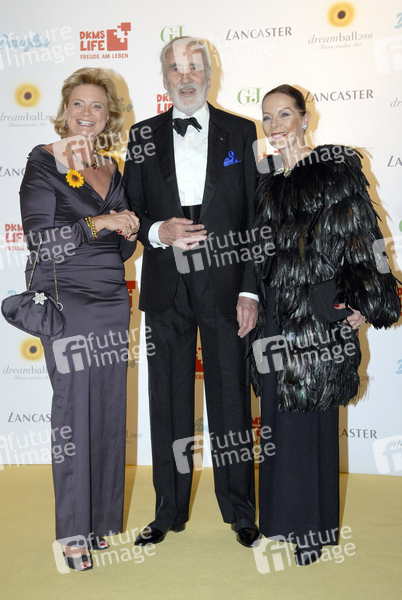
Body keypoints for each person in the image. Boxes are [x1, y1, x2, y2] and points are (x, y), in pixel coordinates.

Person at [252, 84, 400, 566]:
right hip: (275, 311)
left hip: (319, 310)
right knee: (277, 415)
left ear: (304, 117)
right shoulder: (266, 179)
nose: (276, 125)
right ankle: (279, 521)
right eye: (268, 117)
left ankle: (312, 530)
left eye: (284, 114)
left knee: (312, 416)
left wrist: (364, 300)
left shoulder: (334, 167)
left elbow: (365, 235)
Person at [123, 36, 260, 548]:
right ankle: (167, 512)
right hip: (166, 282)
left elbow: (256, 218)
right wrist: (159, 231)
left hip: (226, 281)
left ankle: (241, 512)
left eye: (194, 67)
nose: (186, 77)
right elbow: (131, 212)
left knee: (231, 399)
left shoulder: (242, 132)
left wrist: (251, 292)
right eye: (176, 69)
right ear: (164, 79)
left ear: (209, 74)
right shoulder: (141, 135)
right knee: (167, 399)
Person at [19, 67, 140, 571]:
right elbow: (41, 241)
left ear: (108, 116)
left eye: (97, 106)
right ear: (64, 110)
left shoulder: (112, 165)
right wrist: (101, 221)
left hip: (112, 299)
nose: (87, 114)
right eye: (78, 104)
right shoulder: (43, 161)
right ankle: (72, 536)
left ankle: (101, 525)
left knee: (109, 413)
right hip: (69, 299)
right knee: (73, 414)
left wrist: (128, 228)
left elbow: (125, 246)